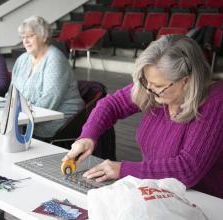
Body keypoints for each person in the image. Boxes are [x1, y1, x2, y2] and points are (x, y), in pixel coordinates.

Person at [63, 35, 223, 198]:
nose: (149, 91)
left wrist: (122, 169)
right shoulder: (154, 89)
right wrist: (87, 137)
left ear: (186, 81)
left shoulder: (216, 102)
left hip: (203, 201)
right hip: (157, 192)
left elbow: (188, 169)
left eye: (158, 86)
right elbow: (111, 104)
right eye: (147, 82)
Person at [12, 15, 84, 138]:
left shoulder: (55, 59)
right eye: (23, 37)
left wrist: (18, 116)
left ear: (44, 36)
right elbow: (12, 93)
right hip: (27, 117)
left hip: (58, 120)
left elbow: (50, 101)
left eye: (30, 36)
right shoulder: (22, 60)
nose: (26, 41)